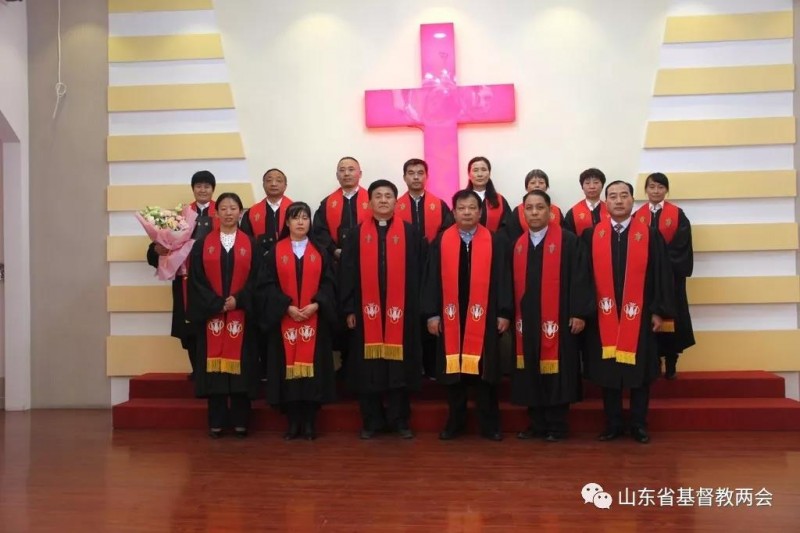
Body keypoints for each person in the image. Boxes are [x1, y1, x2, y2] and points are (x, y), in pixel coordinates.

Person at [582, 181, 674, 444]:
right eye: (613, 196)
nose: (619, 201)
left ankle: (638, 424)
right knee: (609, 374)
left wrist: (658, 311)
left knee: (639, 374)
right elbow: (583, 278)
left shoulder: (649, 235)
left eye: (624, 196)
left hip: (641, 316)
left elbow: (661, 276)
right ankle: (612, 424)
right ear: (605, 202)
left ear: (633, 200)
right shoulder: (592, 235)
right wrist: (586, 312)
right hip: (604, 316)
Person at [422, 190, 513, 441]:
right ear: (453, 212)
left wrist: (504, 312)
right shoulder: (441, 242)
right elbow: (430, 280)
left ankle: (490, 424)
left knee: (485, 374)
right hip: (451, 318)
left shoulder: (495, 241)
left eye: (472, 208)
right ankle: (455, 422)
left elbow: (505, 279)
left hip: (485, 316)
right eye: (461, 208)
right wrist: (432, 315)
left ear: (480, 211)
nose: (467, 213)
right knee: (454, 375)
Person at [339, 179, 426, 440]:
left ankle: (400, 420)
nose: (384, 200)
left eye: (389, 195)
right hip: (366, 314)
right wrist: (349, 309)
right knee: (369, 369)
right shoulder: (355, 234)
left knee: (399, 368)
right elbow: (346, 273)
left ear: (396, 202)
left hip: (402, 313)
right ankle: (372, 420)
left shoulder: (411, 233)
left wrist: (416, 307)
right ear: (369, 202)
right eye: (378, 196)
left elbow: (421, 272)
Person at [511, 190, 594, 442]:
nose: (534, 212)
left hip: (558, 320)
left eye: (539, 207)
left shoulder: (568, 241)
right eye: (529, 208)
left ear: (550, 211)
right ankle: (536, 423)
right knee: (530, 371)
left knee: (557, 372)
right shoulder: (519, 245)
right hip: (526, 320)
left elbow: (581, 278)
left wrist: (579, 313)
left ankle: (556, 425)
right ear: (523, 212)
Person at [186, 192, 261, 439]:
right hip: (212, 316)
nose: (229, 213)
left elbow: (258, 280)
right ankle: (216, 421)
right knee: (215, 372)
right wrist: (216, 303)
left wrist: (238, 300)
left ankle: (241, 421)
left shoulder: (252, 244)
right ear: (216, 214)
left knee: (241, 369)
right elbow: (196, 281)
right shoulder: (202, 245)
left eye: (233, 208)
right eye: (224, 209)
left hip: (242, 316)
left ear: (241, 213)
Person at [261, 202, 337, 440]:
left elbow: (330, 283)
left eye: (305, 217)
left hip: (314, 322)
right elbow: (265, 286)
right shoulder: (274, 252)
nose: (301, 222)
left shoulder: (320, 252)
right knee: (288, 373)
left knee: (312, 374)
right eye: (296, 218)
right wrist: (287, 307)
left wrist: (317, 303)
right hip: (285, 322)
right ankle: (293, 423)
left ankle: (310, 422)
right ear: (287, 223)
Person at [146, 170, 219, 380]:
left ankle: (213, 371)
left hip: (212, 280)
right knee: (188, 326)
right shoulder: (182, 214)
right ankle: (197, 370)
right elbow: (165, 241)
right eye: (199, 186)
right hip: (185, 278)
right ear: (193, 188)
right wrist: (157, 249)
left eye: (207, 186)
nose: (203, 190)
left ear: (213, 189)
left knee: (212, 324)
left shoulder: (221, 211)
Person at [395, 158, 454, 378]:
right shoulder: (395, 206)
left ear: (427, 177)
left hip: (433, 271)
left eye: (420, 173)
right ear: (404, 177)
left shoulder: (439, 205)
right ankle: (410, 368)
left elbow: (447, 235)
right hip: (404, 272)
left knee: (431, 316)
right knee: (407, 320)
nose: (416, 177)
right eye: (411, 173)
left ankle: (431, 367)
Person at [634, 172, 695, 379]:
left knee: (672, 318)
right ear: (646, 190)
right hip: (647, 278)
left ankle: (671, 361)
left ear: (666, 190)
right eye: (652, 187)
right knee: (648, 317)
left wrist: (662, 262)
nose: (656, 191)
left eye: (660, 187)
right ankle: (653, 361)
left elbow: (682, 245)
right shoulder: (638, 215)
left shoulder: (678, 214)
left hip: (671, 278)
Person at [313, 156, 372, 260]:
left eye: (351, 169)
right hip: (337, 260)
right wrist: (333, 249)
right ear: (337, 175)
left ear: (360, 174)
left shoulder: (372, 200)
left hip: (368, 256)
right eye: (342, 170)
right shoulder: (327, 203)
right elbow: (319, 230)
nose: (346, 174)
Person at [240, 168, 293, 256]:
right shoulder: (251, 213)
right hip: (260, 261)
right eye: (269, 180)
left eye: (279, 180)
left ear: (285, 186)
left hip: (288, 258)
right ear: (263, 185)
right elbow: (246, 240)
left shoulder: (295, 210)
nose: (273, 184)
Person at [507, 169, 564, 242]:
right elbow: (512, 236)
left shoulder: (556, 210)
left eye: (541, 182)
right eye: (533, 183)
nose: (537, 185)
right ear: (526, 188)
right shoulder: (518, 211)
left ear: (546, 187)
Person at [465, 156, 512, 233]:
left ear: (489, 173)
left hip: (494, 243)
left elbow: (508, 227)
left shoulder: (500, 200)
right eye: (475, 170)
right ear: (469, 175)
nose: (480, 174)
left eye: (484, 170)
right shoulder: (461, 200)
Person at [563, 168, 609, 237]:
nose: (592, 186)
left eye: (596, 182)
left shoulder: (611, 210)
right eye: (587, 183)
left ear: (602, 186)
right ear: (582, 186)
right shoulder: (572, 212)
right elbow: (568, 238)